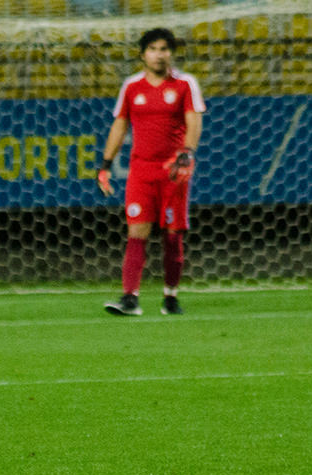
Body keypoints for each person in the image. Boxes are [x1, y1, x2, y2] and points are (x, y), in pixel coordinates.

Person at [98, 27, 204, 316]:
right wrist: (106, 164)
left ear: (171, 53)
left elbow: (193, 120)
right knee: (136, 232)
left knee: (172, 236)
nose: (160, 54)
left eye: (165, 49)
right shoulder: (131, 87)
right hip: (141, 171)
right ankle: (130, 298)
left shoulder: (185, 83)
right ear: (143, 54)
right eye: (154, 49)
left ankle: (170, 297)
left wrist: (187, 152)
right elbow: (119, 125)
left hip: (173, 171)